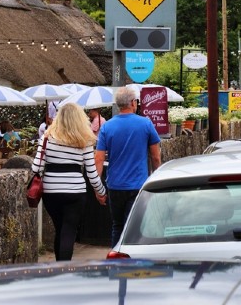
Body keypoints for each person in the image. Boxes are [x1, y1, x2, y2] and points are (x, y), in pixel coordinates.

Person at [31, 103, 107, 261]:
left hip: (51, 193)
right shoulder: (84, 140)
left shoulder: (46, 138)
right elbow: (92, 173)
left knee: (60, 228)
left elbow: (36, 167)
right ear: (79, 119)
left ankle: (59, 267)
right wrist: (101, 192)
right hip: (75, 192)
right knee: (69, 230)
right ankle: (64, 269)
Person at [95, 87, 161, 246]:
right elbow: (156, 156)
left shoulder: (107, 127)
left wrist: (98, 189)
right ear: (133, 103)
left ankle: (117, 260)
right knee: (136, 227)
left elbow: (98, 159)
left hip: (115, 186)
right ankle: (134, 260)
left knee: (117, 226)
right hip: (138, 185)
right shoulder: (145, 124)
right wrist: (157, 179)